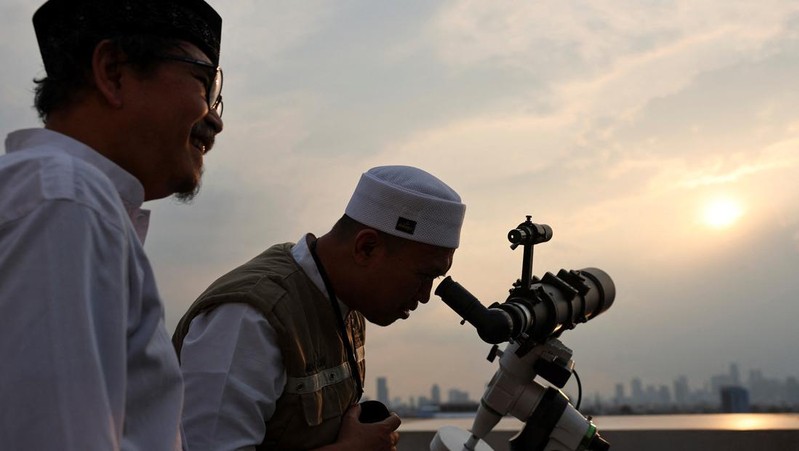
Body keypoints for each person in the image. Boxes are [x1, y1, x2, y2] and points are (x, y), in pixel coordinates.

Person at [0, 1, 223, 449]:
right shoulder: (66, 199)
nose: (216, 119)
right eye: (202, 82)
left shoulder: (61, 197)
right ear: (113, 72)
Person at [173, 165, 467, 450]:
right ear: (366, 248)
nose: (426, 295)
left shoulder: (347, 305)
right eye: (424, 276)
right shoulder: (247, 318)